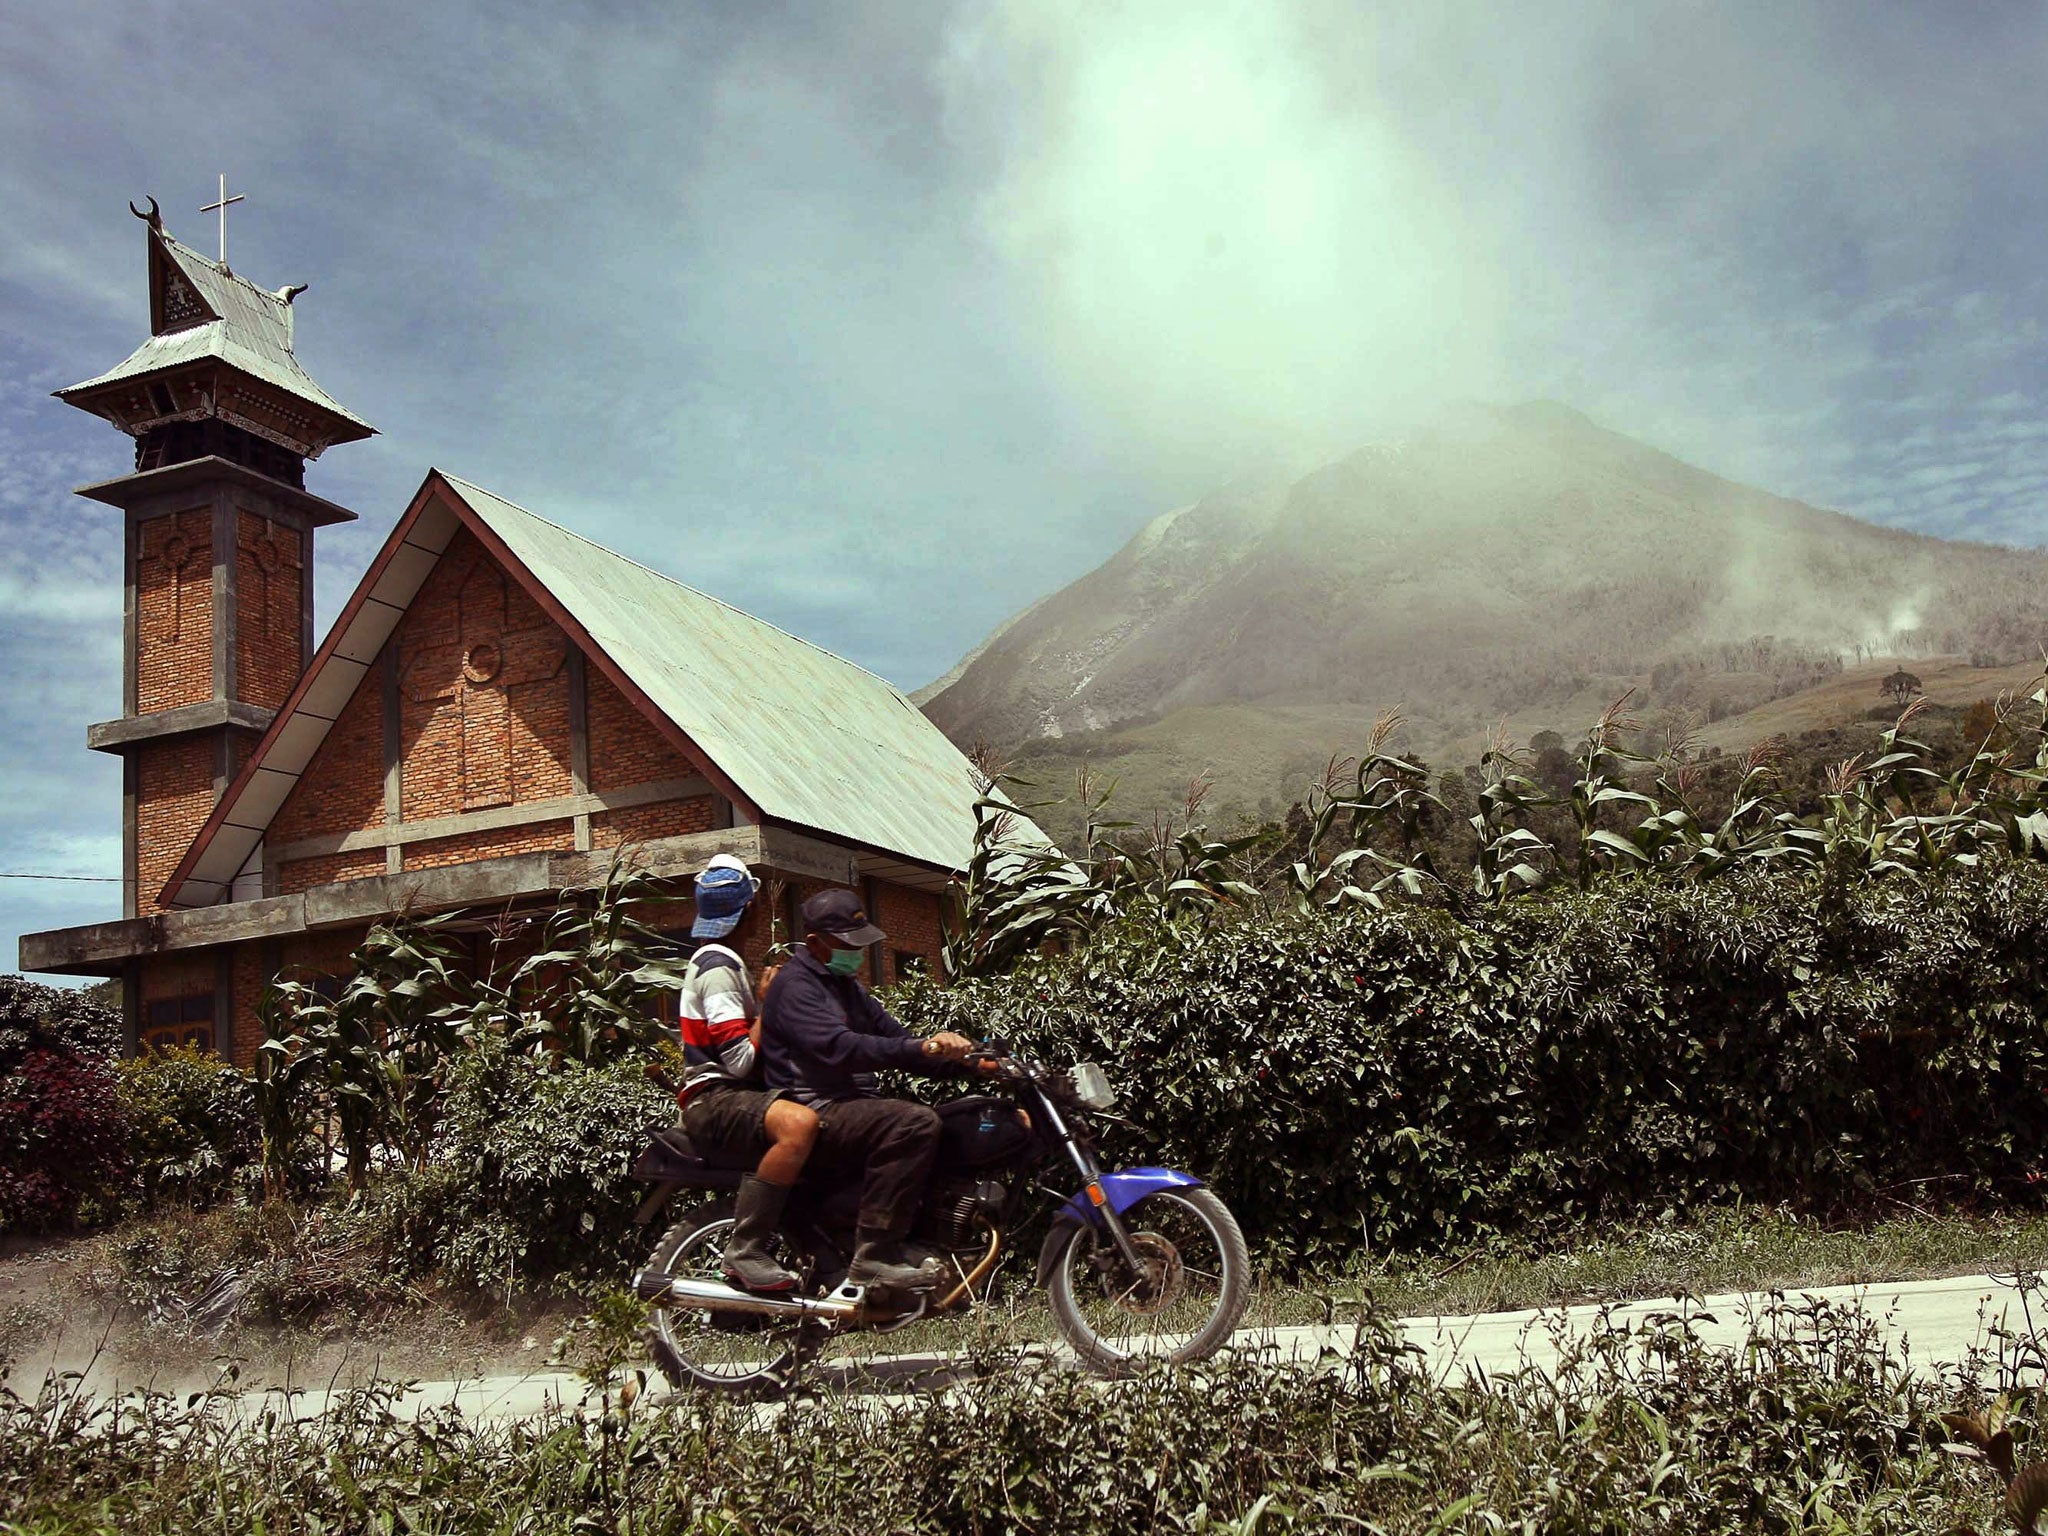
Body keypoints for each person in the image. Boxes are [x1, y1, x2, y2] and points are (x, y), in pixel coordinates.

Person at [759, 888, 983, 1291]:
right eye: (849, 944)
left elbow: (896, 1040)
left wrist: (968, 1061)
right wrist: (923, 1047)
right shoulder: (796, 987)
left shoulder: (846, 987)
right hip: (815, 1106)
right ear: (815, 943)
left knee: (954, 1122)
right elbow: (840, 1049)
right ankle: (875, 1254)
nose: (858, 954)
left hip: (852, 1104)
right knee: (913, 1123)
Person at [676, 854, 818, 1294]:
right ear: (749, 911)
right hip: (714, 1099)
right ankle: (745, 1248)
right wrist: (768, 1000)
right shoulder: (717, 968)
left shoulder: (724, 960)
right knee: (800, 1126)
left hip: (729, 1095)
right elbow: (738, 1059)